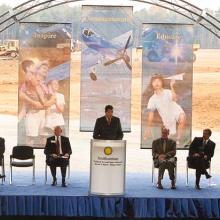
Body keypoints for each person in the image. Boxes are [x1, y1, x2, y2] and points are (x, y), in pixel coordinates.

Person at [144, 74, 186, 145]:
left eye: (158, 81)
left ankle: (178, 140)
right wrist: (148, 128)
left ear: (162, 83)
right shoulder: (152, 99)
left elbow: (175, 99)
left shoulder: (168, 92)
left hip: (176, 111)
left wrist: (172, 86)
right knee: (170, 134)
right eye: (154, 81)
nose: (156, 83)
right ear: (151, 84)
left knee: (182, 117)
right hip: (167, 118)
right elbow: (151, 114)